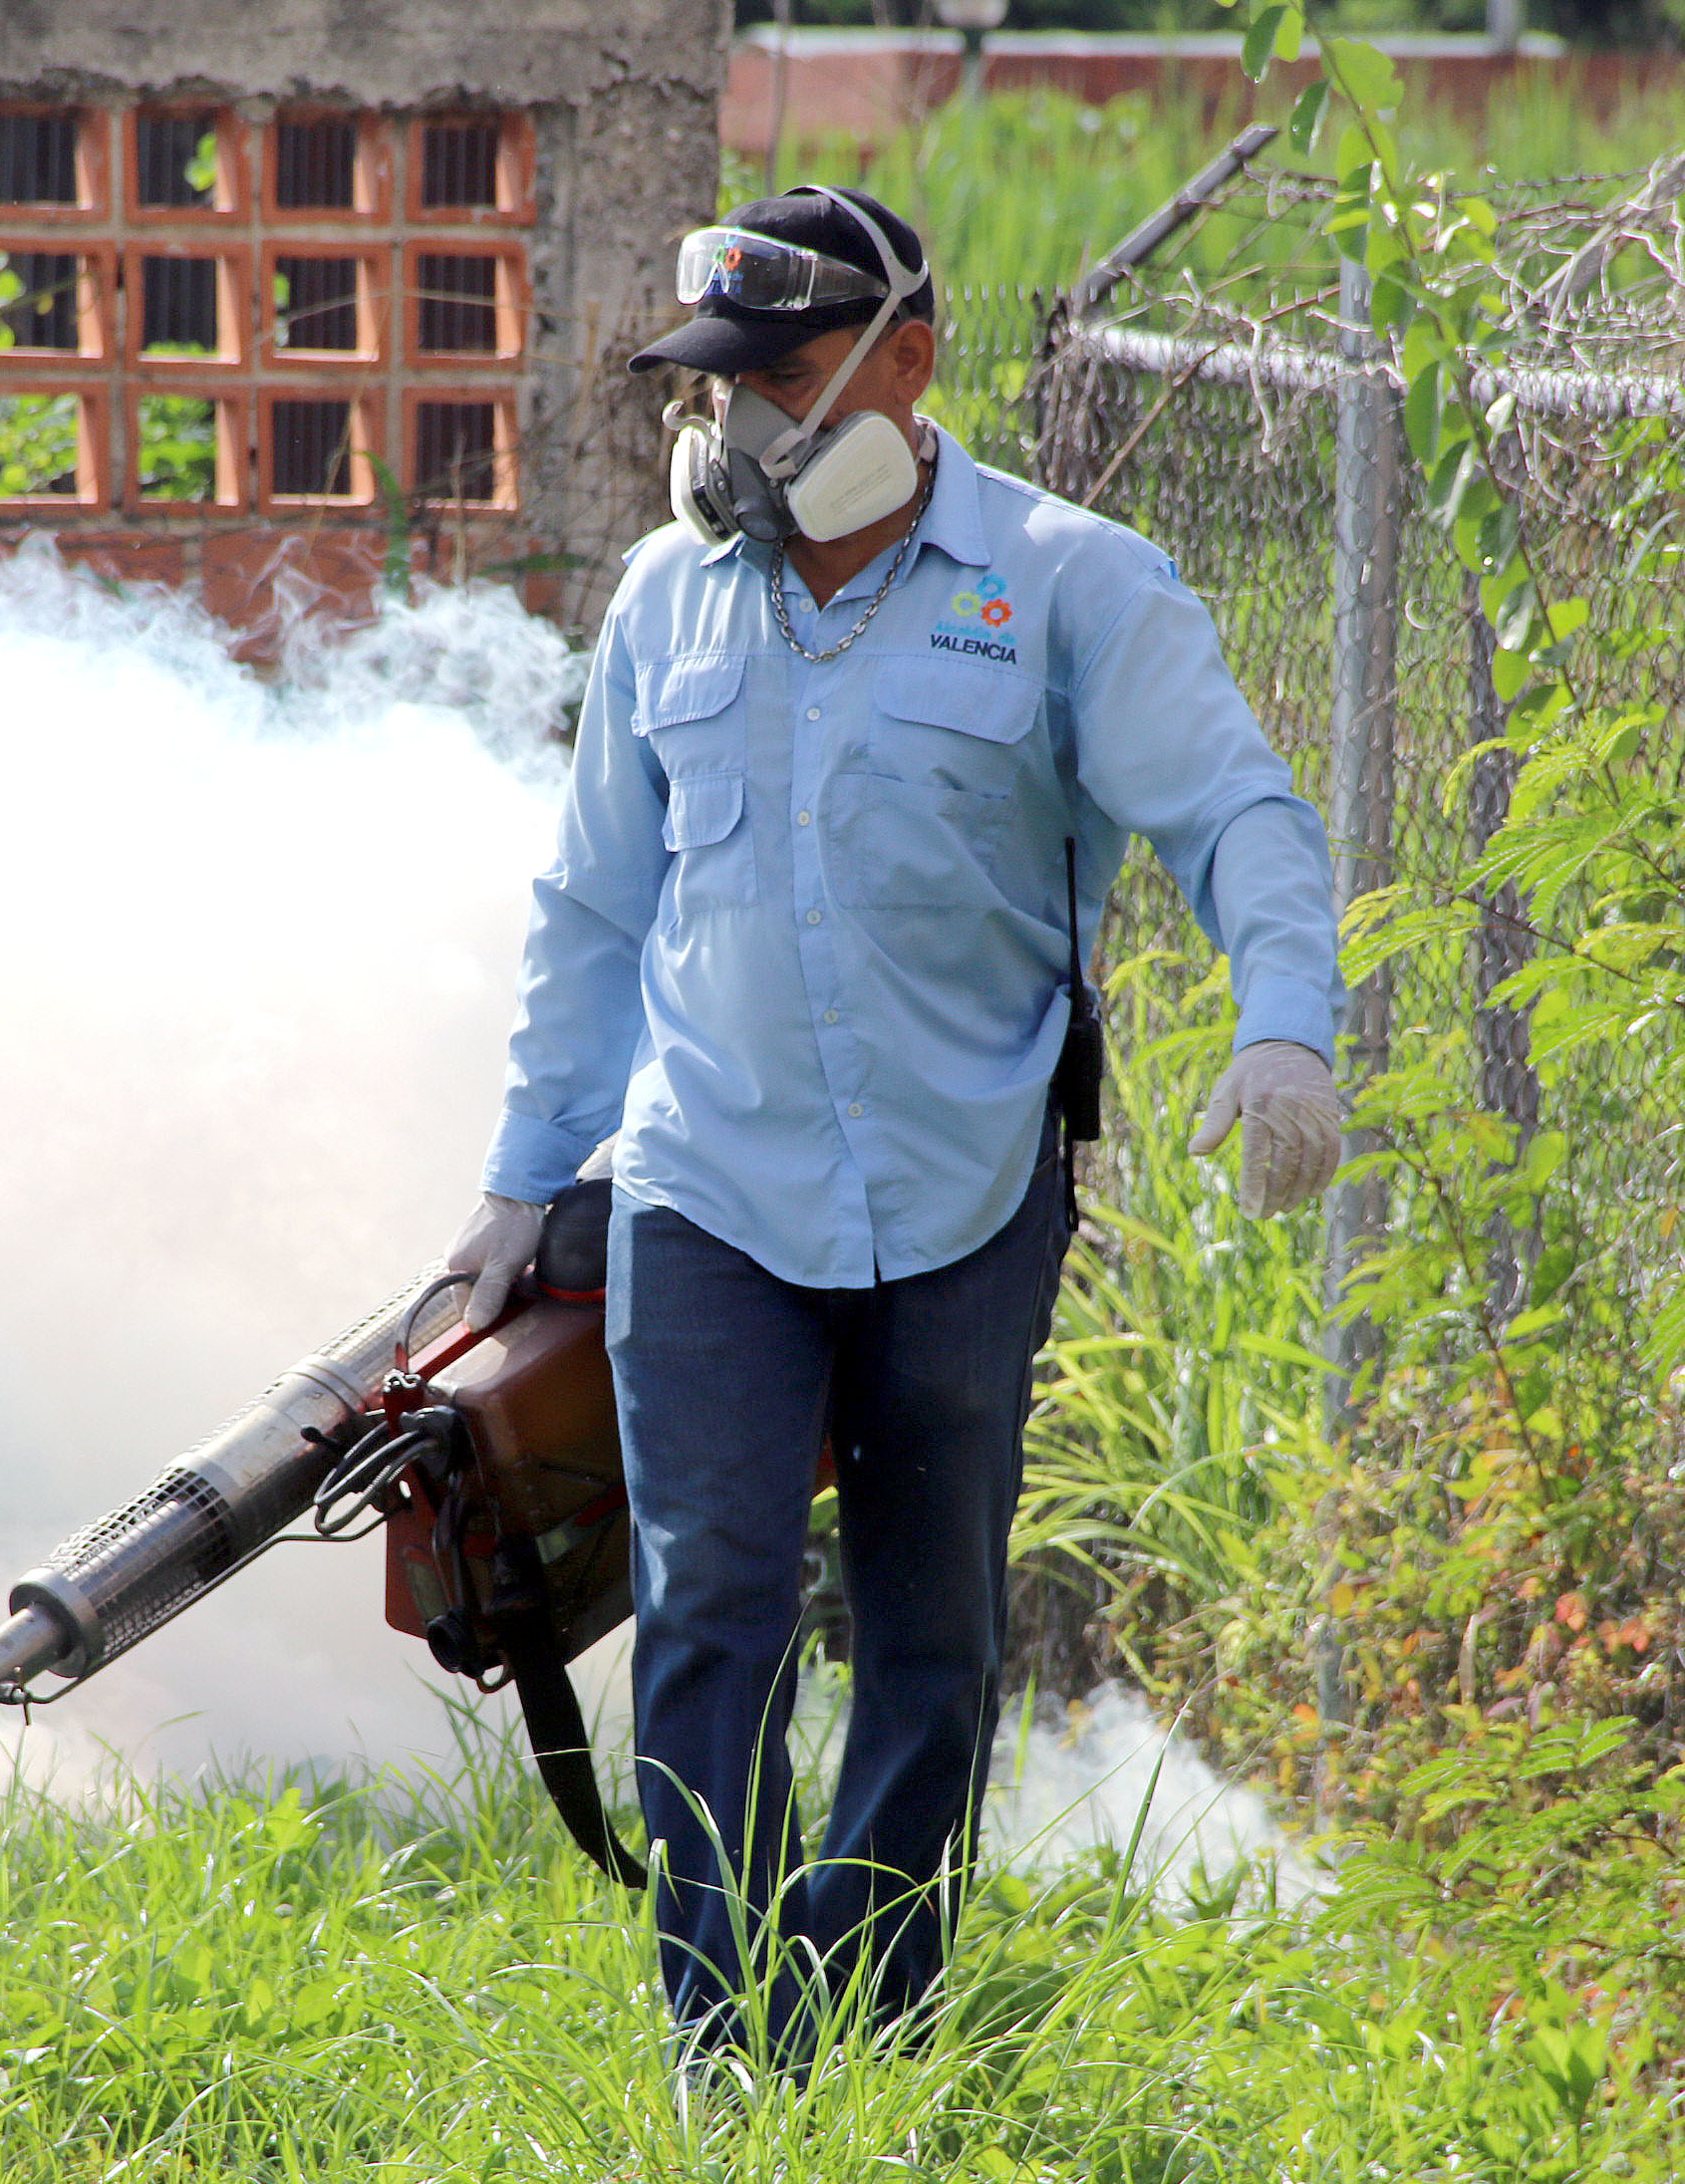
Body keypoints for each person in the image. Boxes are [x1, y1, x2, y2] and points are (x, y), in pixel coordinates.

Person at [441, 184, 1345, 2061]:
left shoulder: (1071, 583)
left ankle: (874, 2016)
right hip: (708, 1187)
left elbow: (1239, 815)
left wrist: (1287, 1033)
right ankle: (729, 2050)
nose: (734, 432)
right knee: (713, 1625)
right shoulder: (666, 597)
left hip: (967, 1184)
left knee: (929, 1639)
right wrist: (525, 1183)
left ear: (903, 364)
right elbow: (597, 907)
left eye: (774, 382)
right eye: (712, 392)